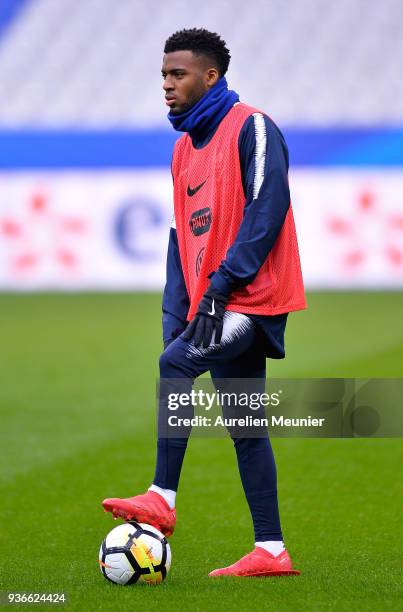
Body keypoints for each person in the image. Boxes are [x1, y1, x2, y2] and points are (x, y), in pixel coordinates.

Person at [102, 28, 306, 577]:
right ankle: (271, 550)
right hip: (214, 302)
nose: (166, 85)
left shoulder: (253, 127)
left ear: (210, 76)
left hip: (253, 297)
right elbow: (180, 239)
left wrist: (222, 284)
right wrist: (178, 314)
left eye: (178, 75)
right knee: (245, 425)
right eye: (164, 75)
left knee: (176, 365)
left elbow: (269, 207)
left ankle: (161, 497)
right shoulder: (182, 148)